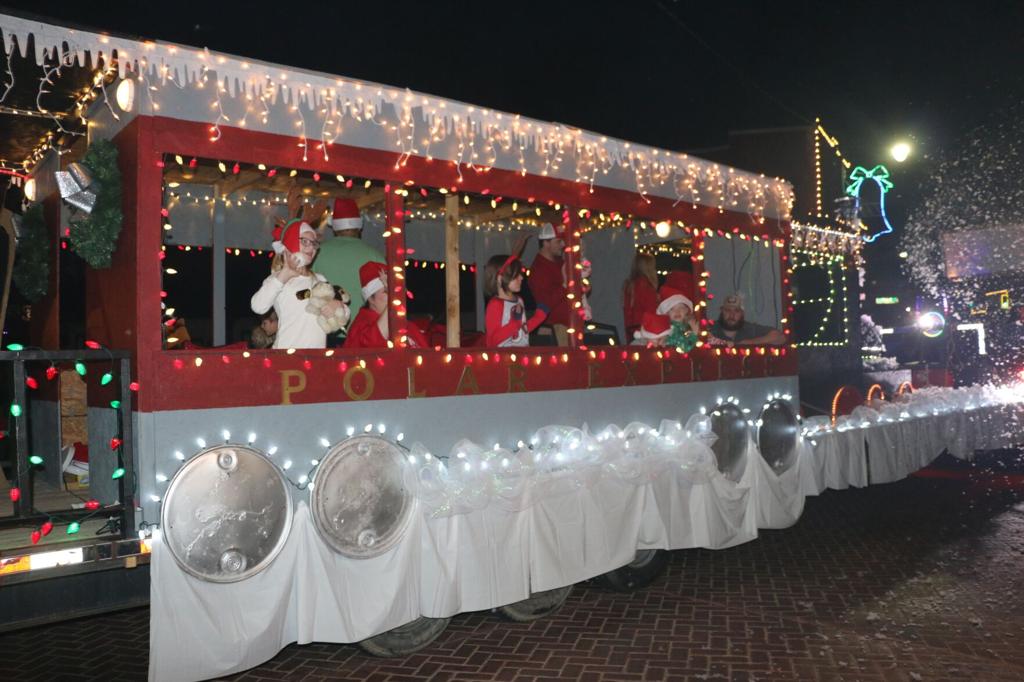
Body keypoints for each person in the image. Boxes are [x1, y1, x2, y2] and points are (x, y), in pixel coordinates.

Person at [250, 219, 348, 349]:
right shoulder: (278, 278)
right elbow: (258, 306)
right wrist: (285, 274)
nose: (311, 247)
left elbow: (341, 320)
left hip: (316, 359)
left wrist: (338, 306)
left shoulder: (319, 279)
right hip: (287, 358)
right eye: (305, 241)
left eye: (314, 243)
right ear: (291, 242)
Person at [313, 197, 385, 326]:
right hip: (365, 332)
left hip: (326, 328)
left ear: (334, 227)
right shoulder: (375, 255)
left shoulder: (315, 253)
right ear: (359, 226)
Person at [345, 261, 429, 349]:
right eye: (386, 291)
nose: (395, 297)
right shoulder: (361, 325)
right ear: (370, 298)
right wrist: (393, 296)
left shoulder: (410, 327)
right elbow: (372, 344)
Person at [484, 254, 548, 347]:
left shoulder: (519, 300)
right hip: (503, 358)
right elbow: (493, 341)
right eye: (516, 275)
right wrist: (514, 323)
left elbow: (522, 331)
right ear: (500, 278)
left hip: (522, 354)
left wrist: (538, 318)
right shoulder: (495, 305)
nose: (521, 278)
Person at [528, 222, 571, 345]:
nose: (563, 245)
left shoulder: (560, 262)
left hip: (569, 326)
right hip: (555, 329)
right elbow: (544, 304)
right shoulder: (538, 270)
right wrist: (564, 286)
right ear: (546, 243)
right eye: (558, 241)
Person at [708, 293, 786, 346]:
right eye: (728, 310)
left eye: (737, 311)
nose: (732, 315)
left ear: (742, 313)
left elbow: (780, 337)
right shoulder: (711, 328)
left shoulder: (750, 329)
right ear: (722, 311)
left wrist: (749, 343)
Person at [622, 253, 659, 339]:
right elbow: (651, 313)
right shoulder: (646, 287)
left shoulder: (629, 286)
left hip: (632, 331)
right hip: (645, 333)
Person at [656, 286, 698, 351]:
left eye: (681, 308)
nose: (677, 311)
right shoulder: (670, 328)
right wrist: (694, 333)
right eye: (672, 309)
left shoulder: (687, 326)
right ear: (666, 313)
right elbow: (682, 348)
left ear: (686, 310)